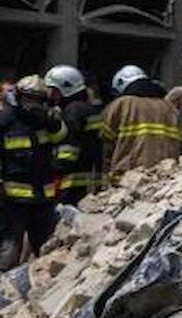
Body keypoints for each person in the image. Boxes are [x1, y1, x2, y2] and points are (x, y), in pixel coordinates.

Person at [0, 75, 67, 270]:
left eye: (37, 99)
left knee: (46, 249)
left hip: (43, 198)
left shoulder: (47, 121)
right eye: (29, 98)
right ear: (19, 97)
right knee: (9, 247)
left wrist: (52, 120)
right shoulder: (6, 122)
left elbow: (61, 137)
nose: (32, 103)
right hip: (13, 200)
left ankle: (44, 289)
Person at [101, 65, 182, 176]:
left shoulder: (121, 105)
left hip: (130, 176)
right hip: (165, 176)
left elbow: (106, 141)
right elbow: (181, 145)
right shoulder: (170, 108)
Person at [45, 65, 104, 205]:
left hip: (73, 181)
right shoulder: (88, 109)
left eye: (53, 90)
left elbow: (70, 147)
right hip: (90, 176)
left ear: (64, 89)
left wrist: (55, 167)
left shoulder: (73, 111)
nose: (50, 94)